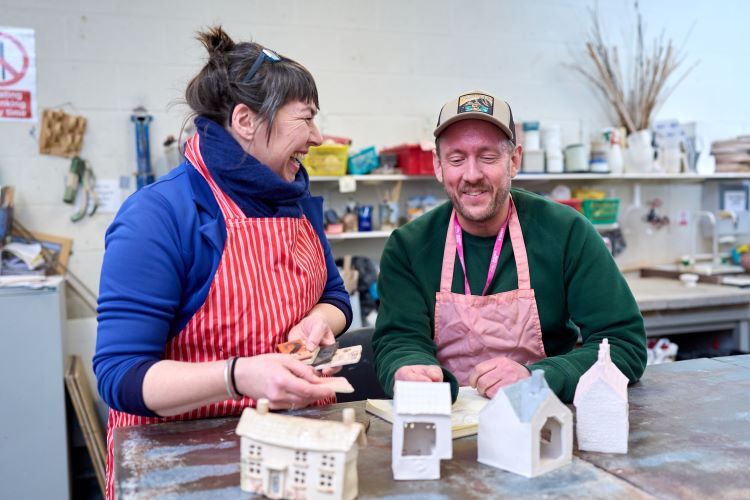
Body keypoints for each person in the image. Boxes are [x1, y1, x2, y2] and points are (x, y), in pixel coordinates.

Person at [94, 26, 351, 498]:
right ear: (245, 121)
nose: (317, 137)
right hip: (178, 462)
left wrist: (317, 321)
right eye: (306, 119)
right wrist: (237, 376)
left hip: (289, 450)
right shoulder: (161, 215)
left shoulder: (292, 197)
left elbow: (335, 296)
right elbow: (121, 375)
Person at [373, 91, 646, 403]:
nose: (471, 175)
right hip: (446, 421)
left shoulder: (567, 232)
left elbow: (624, 345)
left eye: (488, 157)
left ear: (514, 160)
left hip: (544, 421)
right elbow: (398, 340)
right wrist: (409, 369)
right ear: (438, 166)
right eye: (456, 159)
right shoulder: (408, 246)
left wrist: (539, 377)